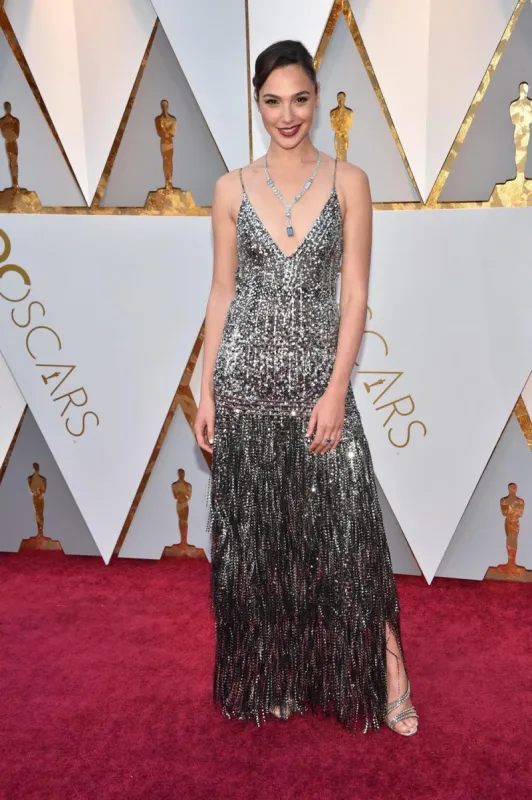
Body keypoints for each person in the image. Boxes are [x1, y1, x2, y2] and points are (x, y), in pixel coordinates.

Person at [194, 40, 419, 736]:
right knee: (265, 548)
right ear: (257, 105)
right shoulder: (230, 189)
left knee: (352, 541)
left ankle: (391, 681)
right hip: (246, 392)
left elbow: (354, 296)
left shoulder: (349, 181)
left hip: (319, 392)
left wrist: (335, 389)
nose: (286, 115)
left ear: (316, 98)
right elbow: (222, 294)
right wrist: (204, 391)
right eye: (271, 101)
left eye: (298, 99)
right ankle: (280, 675)